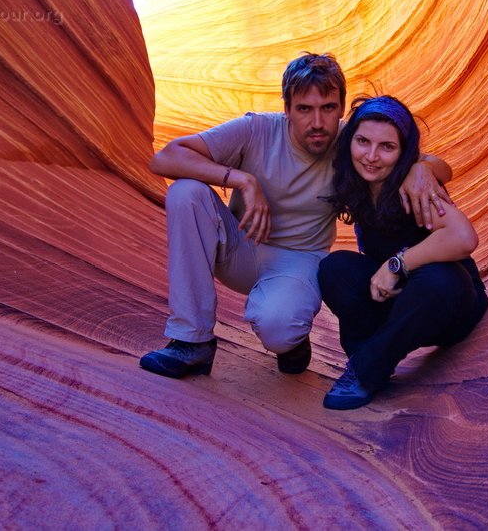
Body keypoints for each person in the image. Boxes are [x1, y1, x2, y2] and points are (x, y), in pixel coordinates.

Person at [139, 53, 453, 379]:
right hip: (239, 247)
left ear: (341, 108)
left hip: (299, 259)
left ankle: (293, 341)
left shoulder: (355, 142)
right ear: (287, 109)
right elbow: (165, 159)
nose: (317, 123)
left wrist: (421, 168)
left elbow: (437, 164)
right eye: (304, 109)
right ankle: (192, 340)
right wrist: (242, 180)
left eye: (327, 108)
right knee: (186, 193)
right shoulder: (257, 130)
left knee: (278, 328)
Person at [318, 95, 488, 410]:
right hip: (399, 301)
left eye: (387, 147)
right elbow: (441, 165)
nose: (371, 156)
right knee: (334, 268)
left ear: (403, 152)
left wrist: (398, 264)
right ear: (349, 142)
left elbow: (464, 237)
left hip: (449, 305)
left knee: (440, 279)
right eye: (363, 142)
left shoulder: (414, 187)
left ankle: (366, 371)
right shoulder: (355, 179)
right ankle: (368, 355)